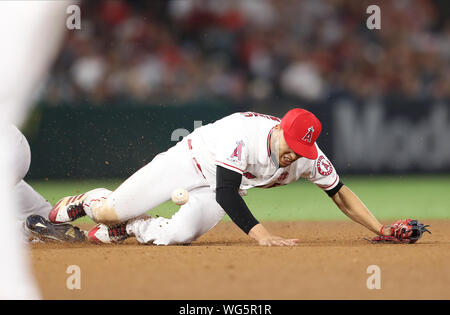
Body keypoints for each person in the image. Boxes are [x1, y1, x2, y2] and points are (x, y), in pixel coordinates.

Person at [48, 108, 405, 246]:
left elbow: (340, 193)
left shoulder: (308, 157)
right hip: (188, 163)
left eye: (302, 149)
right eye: (292, 143)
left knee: (178, 235)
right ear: (278, 128)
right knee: (111, 209)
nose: (294, 153)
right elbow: (227, 193)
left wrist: (381, 229)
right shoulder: (244, 134)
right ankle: (88, 202)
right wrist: (262, 236)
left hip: (219, 187)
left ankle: (130, 229)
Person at [0, 1, 70, 299]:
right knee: (52, 221)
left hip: (8, 150)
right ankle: (102, 216)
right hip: (12, 149)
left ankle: (24, 228)